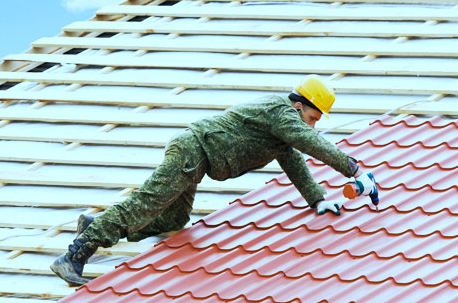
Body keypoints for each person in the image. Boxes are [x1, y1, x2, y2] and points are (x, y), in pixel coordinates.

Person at [50, 75, 378, 286]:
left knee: (176, 219)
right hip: (193, 151)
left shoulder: (282, 131)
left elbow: (294, 161)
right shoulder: (281, 113)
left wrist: (318, 200)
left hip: (200, 157)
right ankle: (75, 255)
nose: (312, 127)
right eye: (312, 118)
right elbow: (311, 144)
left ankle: (96, 223)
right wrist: (355, 170)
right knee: (146, 204)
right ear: (298, 106)